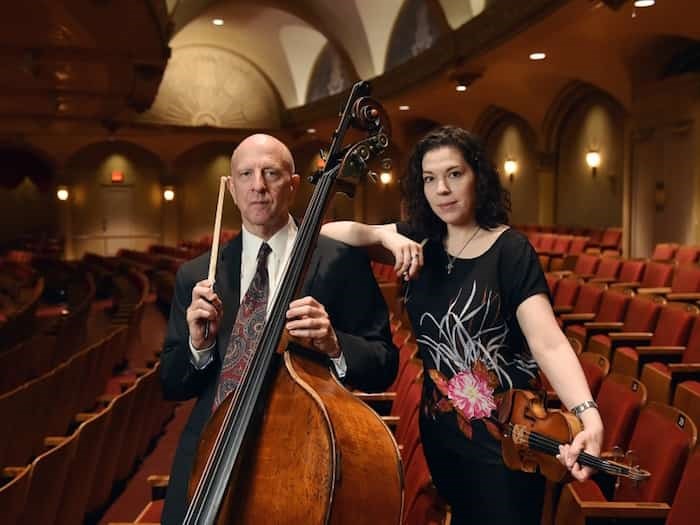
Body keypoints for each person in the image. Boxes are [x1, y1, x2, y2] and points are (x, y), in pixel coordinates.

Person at [321, 125, 604, 525]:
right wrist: (383, 237)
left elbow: (549, 343)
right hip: (441, 432)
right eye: (430, 179)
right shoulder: (421, 242)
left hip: (507, 438)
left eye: (454, 174)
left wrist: (587, 413)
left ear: (478, 176)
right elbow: (325, 234)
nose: (442, 189)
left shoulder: (511, 250)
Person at [159, 134, 398, 524]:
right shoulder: (197, 275)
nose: (258, 185)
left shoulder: (338, 262)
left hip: (302, 459)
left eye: (271, 172)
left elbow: (384, 362)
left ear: (293, 183)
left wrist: (335, 344)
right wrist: (197, 347)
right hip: (210, 454)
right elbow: (171, 384)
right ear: (232, 189)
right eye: (246, 174)